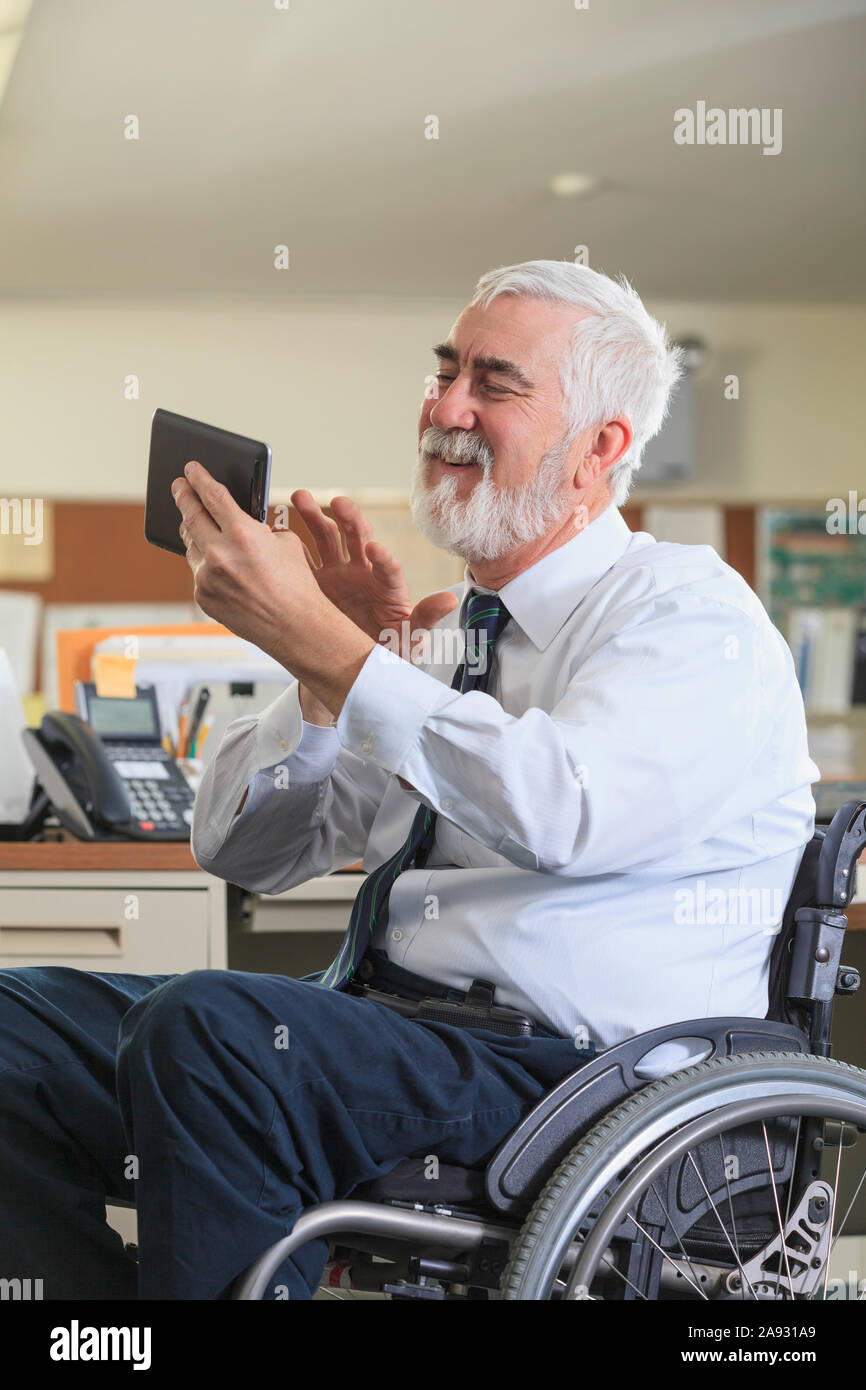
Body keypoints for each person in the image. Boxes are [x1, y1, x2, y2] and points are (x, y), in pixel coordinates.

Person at [0, 260, 817, 1300]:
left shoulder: (685, 614)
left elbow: (561, 809)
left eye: (494, 382)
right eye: (443, 371)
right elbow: (244, 851)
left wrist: (349, 659)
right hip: (398, 1036)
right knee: (13, 1027)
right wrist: (326, 664)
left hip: (574, 1082)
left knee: (211, 1035)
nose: (445, 407)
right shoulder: (433, 646)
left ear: (599, 449)